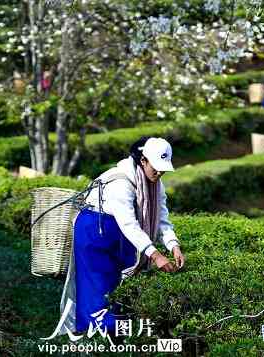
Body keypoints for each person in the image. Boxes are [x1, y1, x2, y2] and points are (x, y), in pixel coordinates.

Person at [55, 137, 184, 336]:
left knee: (118, 284)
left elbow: (162, 217)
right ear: (143, 161)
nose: (159, 173)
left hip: (118, 233)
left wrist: (173, 244)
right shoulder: (121, 182)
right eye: (155, 167)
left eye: (163, 169)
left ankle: (115, 338)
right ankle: (92, 338)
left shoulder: (155, 184)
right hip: (95, 230)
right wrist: (155, 255)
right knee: (97, 286)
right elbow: (128, 223)